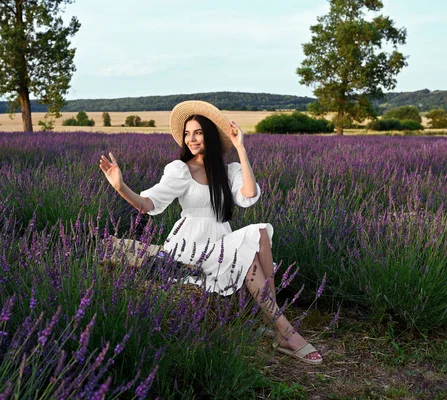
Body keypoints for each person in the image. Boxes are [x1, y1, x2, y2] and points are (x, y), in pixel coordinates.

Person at [99, 100, 322, 365]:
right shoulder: (180, 169)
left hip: (219, 239)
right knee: (251, 247)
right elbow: (148, 204)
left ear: (211, 136)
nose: (190, 139)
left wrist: (241, 148)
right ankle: (283, 329)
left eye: (198, 132)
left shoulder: (228, 172)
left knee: (260, 233)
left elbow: (249, 194)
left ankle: (274, 320)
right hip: (190, 245)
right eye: (187, 133)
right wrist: (121, 186)